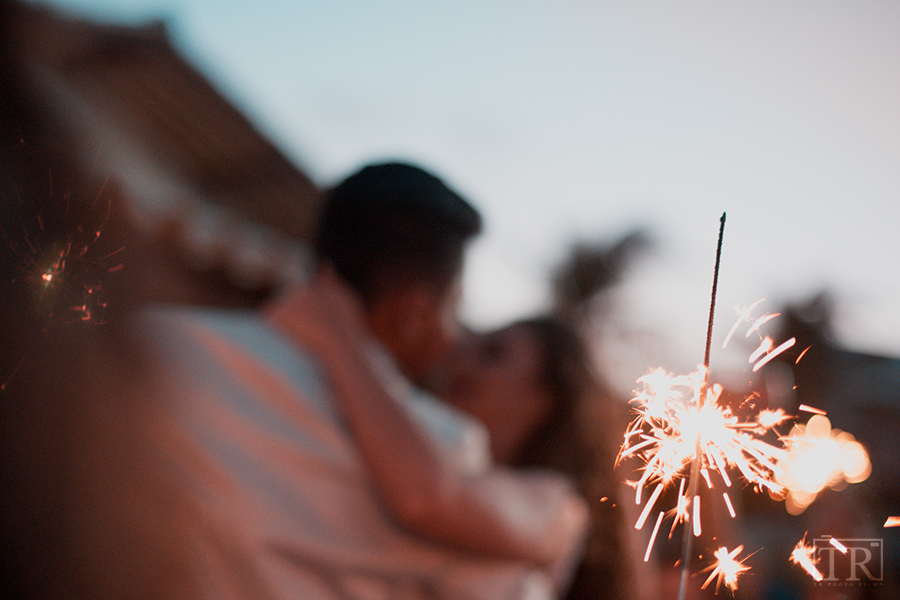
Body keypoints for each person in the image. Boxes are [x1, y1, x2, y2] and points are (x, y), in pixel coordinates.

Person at [137, 162, 589, 600]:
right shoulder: (440, 448)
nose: (457, 348)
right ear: (412, 313)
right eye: (455, 310)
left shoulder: (152, 342)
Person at [433, 317, 657, 600]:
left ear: (550, 394)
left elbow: (430, 500)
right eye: (462, 350)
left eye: (493, 354)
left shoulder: (558, 506)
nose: (461, 364)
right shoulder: (434, 464)